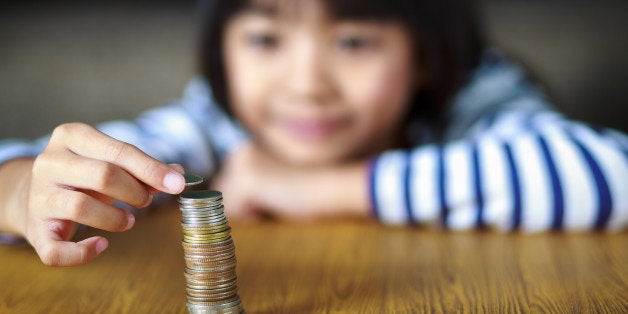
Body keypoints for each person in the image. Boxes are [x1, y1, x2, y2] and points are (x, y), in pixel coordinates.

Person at [0, 0, 626, 266]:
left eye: (353, 40)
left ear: (427, 56)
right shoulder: (215, 121)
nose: (306, 84)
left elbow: (611, 176)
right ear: (221, 51)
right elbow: (66, 169)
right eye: (266, 39)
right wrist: (20, 189)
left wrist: (317, 187)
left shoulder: (475, 94)